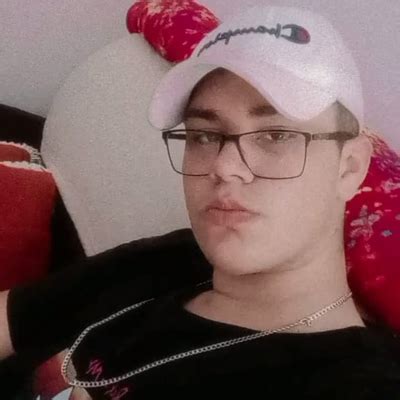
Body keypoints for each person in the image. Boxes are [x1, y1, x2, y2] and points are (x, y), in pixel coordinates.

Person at [1, 5, 400, 399]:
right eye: (205, 136)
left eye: (275, 136)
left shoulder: (359, 383)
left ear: (349, 168)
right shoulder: (176, 258)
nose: (224, 167)